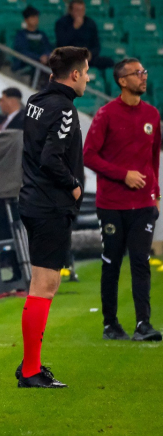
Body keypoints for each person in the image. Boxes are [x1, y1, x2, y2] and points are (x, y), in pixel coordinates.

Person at [18, 46, 90, 388]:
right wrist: (74, 186)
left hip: (33, 200)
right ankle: (31, 371)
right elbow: (51, 158)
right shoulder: (64, 108)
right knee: (45, 286)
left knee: (41, 284)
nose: (88, 78)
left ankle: (29, 365)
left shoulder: (36, 100)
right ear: (74, 74)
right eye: (86, 72)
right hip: (49, 205)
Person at [83, 58, 162, 342]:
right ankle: (110, 324)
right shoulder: (106, 114)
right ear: (122, 80)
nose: (143, 76)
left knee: (141, 261)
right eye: (137, 73)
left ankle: (143, 324)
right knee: (112, 262)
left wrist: (156, 194)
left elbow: (153, 158)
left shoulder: (152, 114)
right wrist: (123, 175)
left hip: (143, 204)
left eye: (144, 72)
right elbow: (88, 155)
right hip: (112, 205)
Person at [55, 0, 113, 70]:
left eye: (82, 10)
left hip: (86, 57)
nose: (80, 13)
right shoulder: (61, 23)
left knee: (109, 62)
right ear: (70, 11)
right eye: (77, 10)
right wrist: (74, 28)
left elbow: (96, 45)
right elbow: (62, 43)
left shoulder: (90, 23)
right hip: (69, 57)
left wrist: (91, 54)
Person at [13, 6, 52, 72]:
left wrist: (46, 55)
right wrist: (38, 58)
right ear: (26, 20)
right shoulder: (21, 35)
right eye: (32, 17)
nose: (35, 19)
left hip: (43, 64)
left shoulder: (41, 34)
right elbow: (23, 52)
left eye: (36, 17)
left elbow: (48, 48)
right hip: (26, 66)